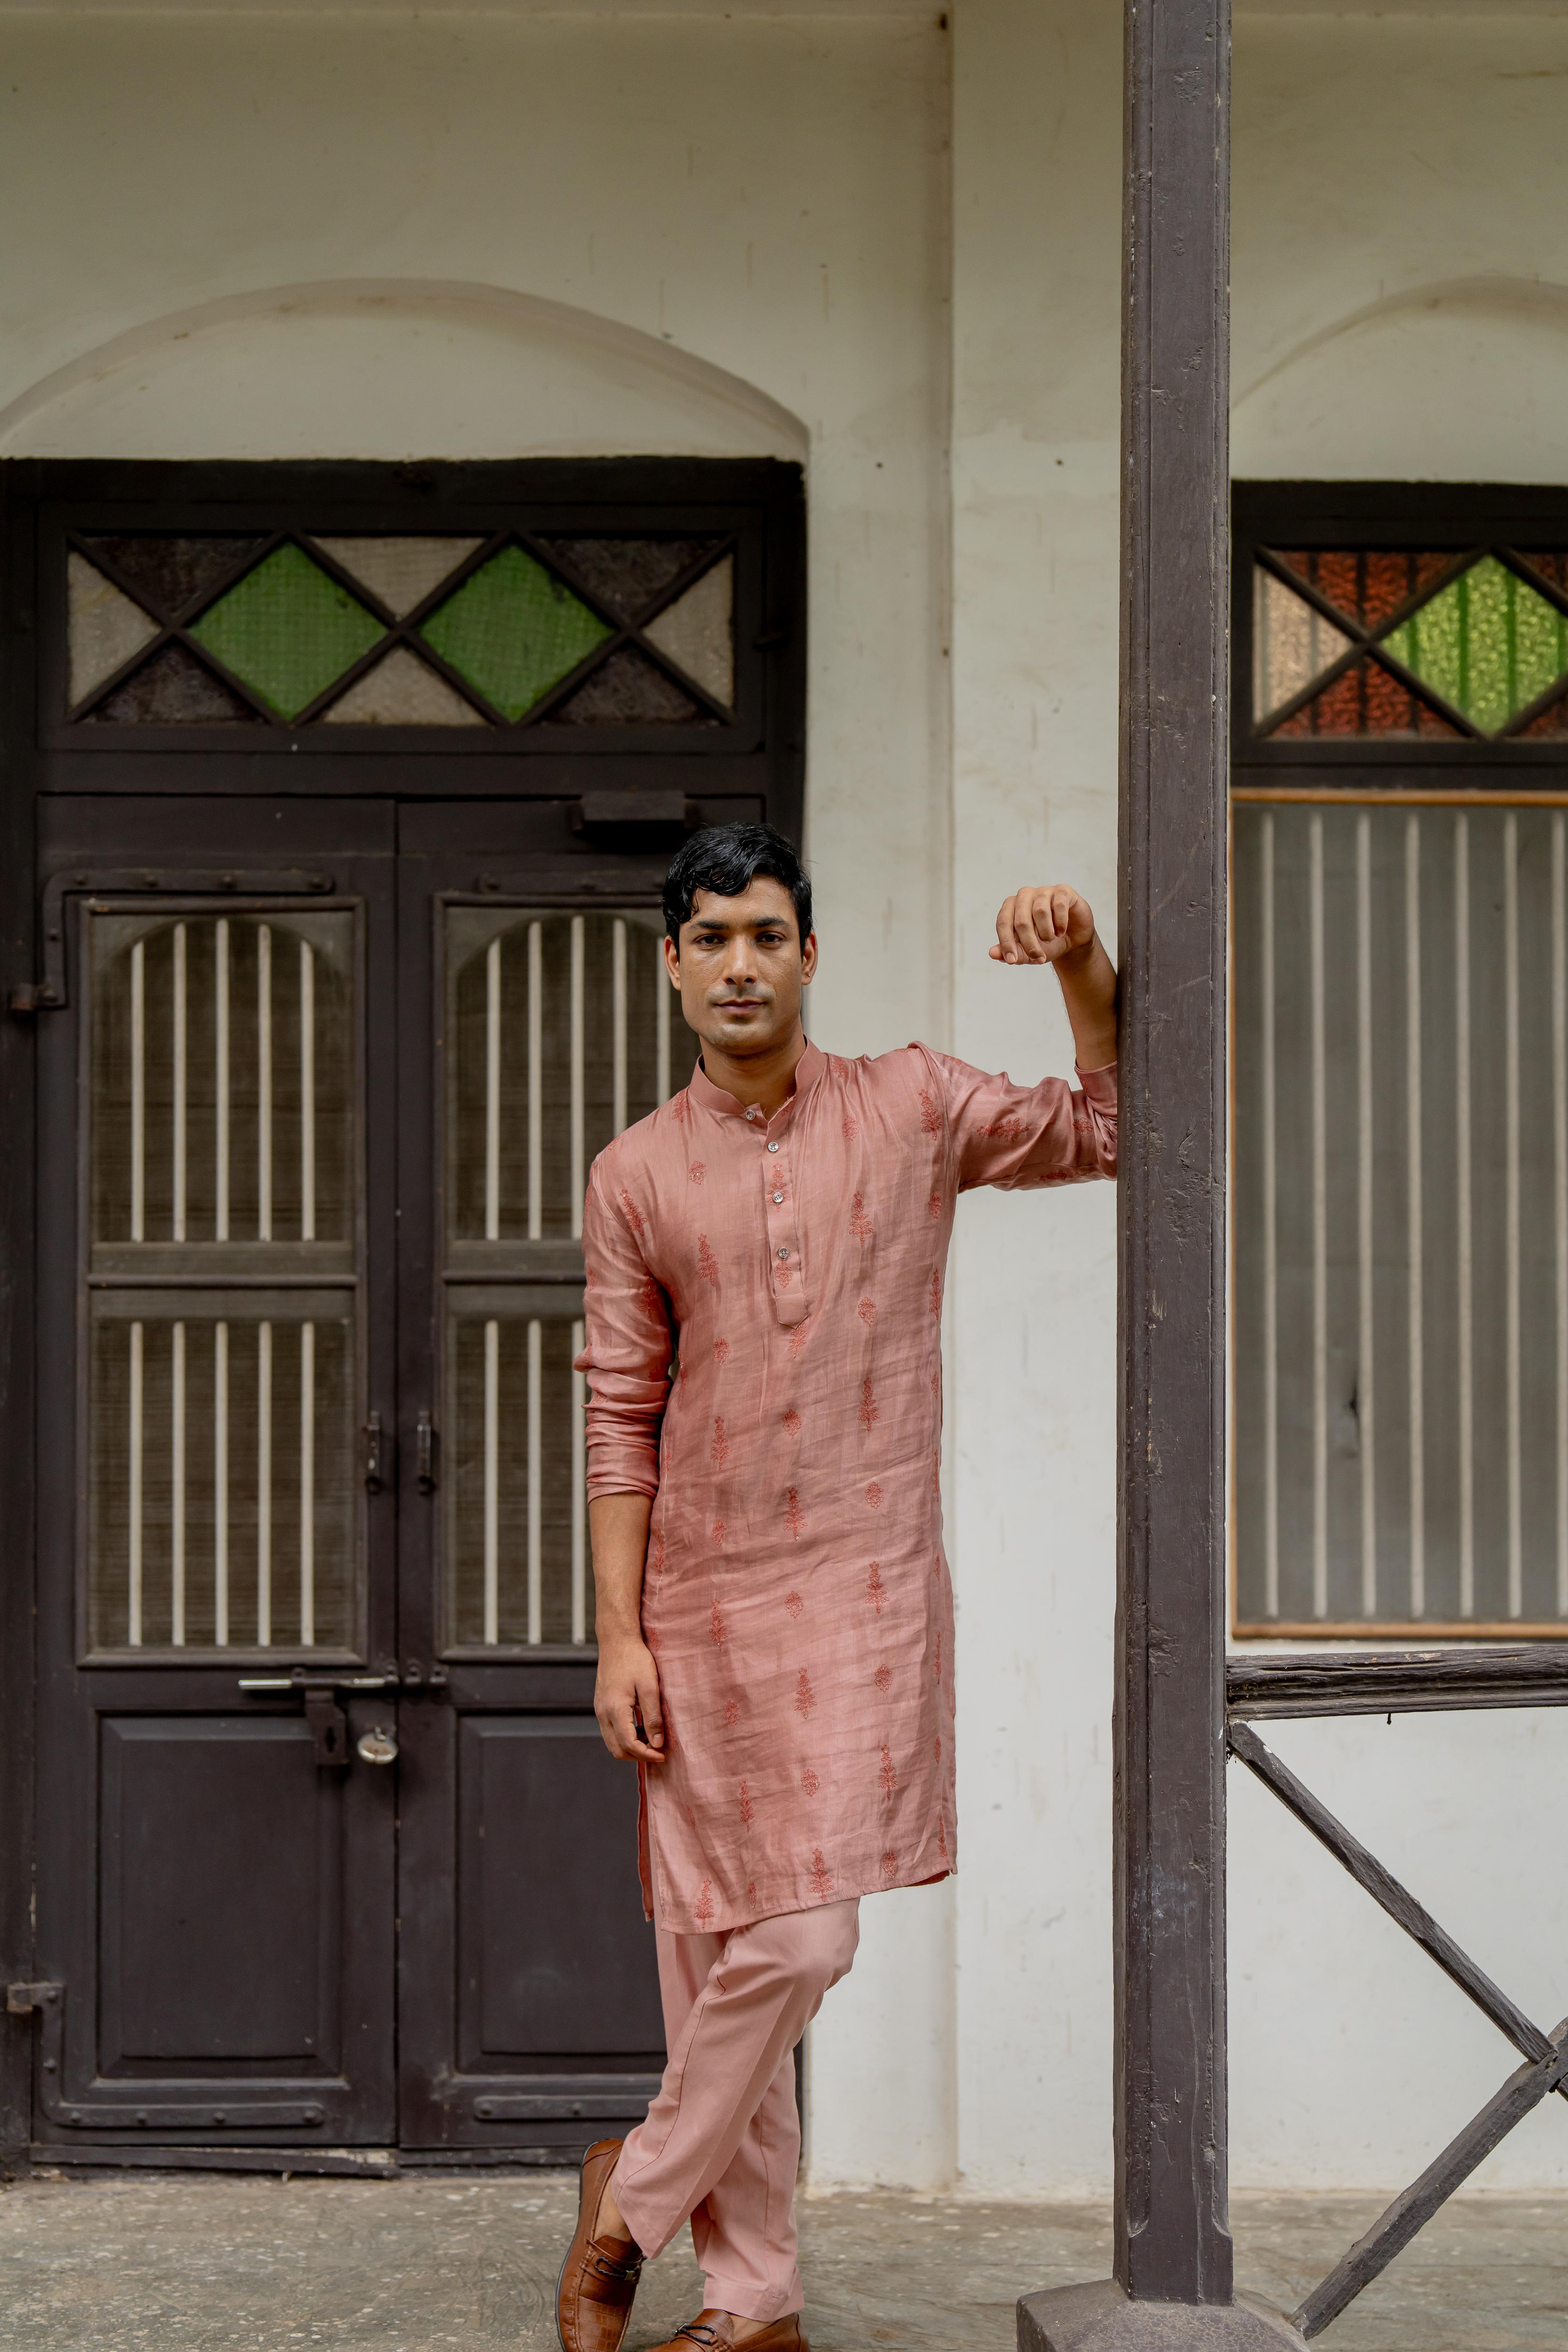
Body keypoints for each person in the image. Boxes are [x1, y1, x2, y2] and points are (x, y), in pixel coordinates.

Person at [556, 824, 1118, 2352]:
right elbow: (617, 1410)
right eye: (712, 938)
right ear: (672, 965)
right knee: (709, 1953)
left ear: (810, 956)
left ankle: (632, 2200)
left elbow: (1116, 1124)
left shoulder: (917, 1103)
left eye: (767, 935)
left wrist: (1077, 962)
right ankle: (755, 2307)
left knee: (804, 1940)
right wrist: (620, 1636)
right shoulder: (634, 1176)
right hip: (701, 1602)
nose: (741, 963)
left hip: (864, 1587)